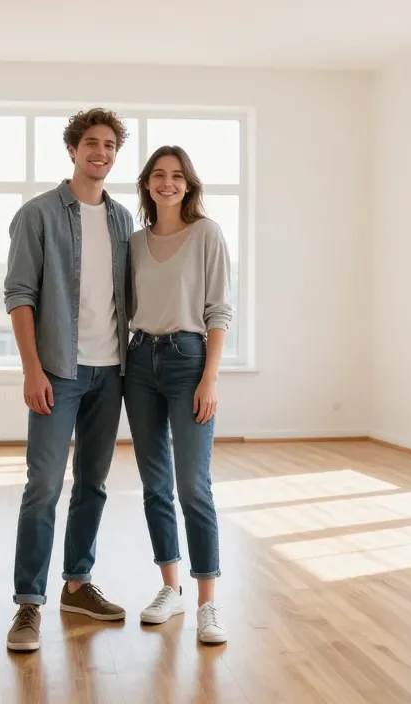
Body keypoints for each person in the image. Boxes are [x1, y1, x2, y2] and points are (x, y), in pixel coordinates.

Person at [2, 108, 135, 652]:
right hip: (58, 371)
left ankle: (77, 585)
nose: (101, 153)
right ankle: (28, 603)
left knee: (93, 484)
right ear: (73, 149)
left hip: (112, 372)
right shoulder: (37, 215)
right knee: (44, 486)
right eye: (91, 143)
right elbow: (19, 295)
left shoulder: (124, 220)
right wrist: (32, 368)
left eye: (110, 146)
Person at [123, 145, 232, 645]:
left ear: (188, 185)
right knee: (155, 484)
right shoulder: (134, 243)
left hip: (189, 360)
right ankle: (171, 588)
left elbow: (219, 310)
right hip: (139, 363)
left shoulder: (207, 233)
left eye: (177, 176)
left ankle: (208, 602)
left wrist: (210, 378)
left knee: (194, 486)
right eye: (158, 175)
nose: (167, 183)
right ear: (147, 184)